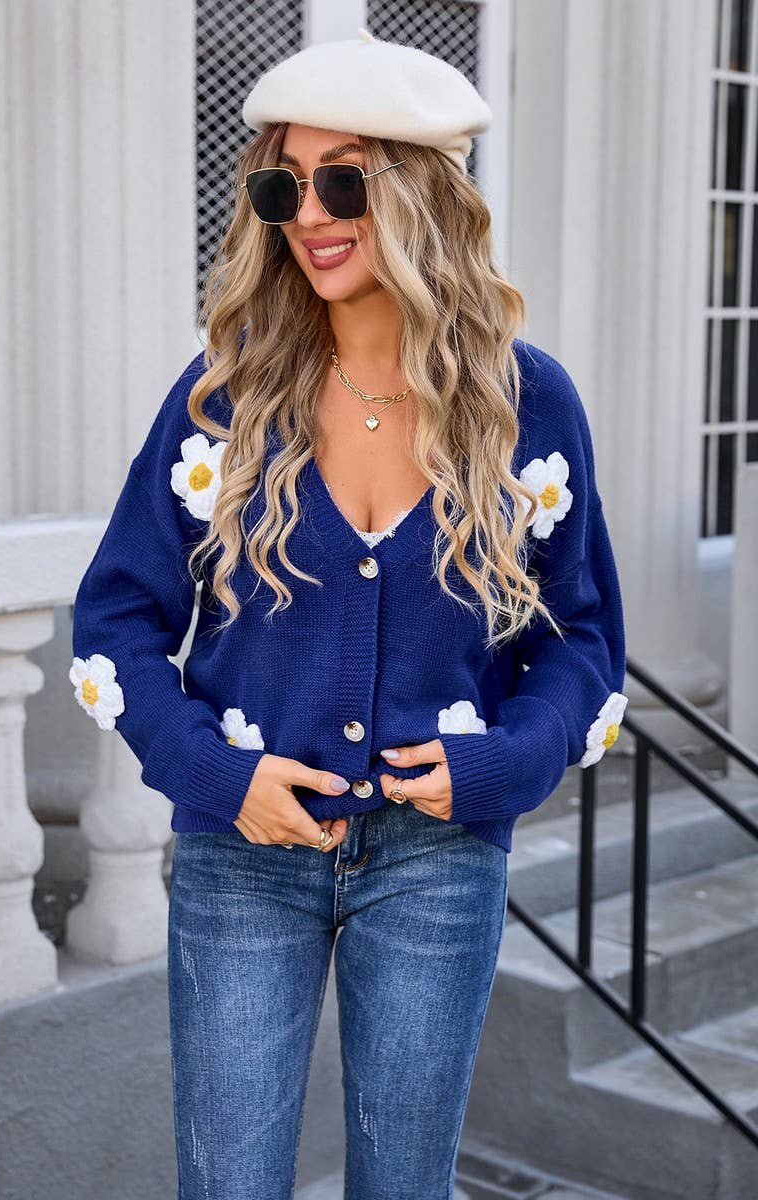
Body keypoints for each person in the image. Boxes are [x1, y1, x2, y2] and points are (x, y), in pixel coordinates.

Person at [69, 27, 628, 1200]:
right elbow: (114, 623)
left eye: (343, 182)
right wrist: (214, 775)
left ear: (421, 192)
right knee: (228, 1183)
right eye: (283, 186)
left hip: (438, 863)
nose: (308, 216)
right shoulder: (225, 398)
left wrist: (504, 763)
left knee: (403, 1184)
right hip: (240, 855)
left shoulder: (524, 405)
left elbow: (580, 642)